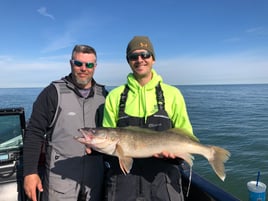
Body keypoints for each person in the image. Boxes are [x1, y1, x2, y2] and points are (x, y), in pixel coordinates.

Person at [102, 36, 198, 201]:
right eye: (134, 56)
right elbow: (107, 135)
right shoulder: (115, 96)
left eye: (145, 54)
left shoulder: (173, 94)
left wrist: (175, 157)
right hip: (123, 185)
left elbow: (186, 134)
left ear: (153, 58)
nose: (140, 60)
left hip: (164, 182)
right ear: (128, 61)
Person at [23, 45, 107, 201]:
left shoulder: (104, 96)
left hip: (94, 178)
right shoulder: (52, 93)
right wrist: (30, 172)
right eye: (78, 63)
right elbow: (34, 132)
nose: (84, 68)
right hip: (60, 178)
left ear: (95, 66)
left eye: (89, 65)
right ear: (71, 63)